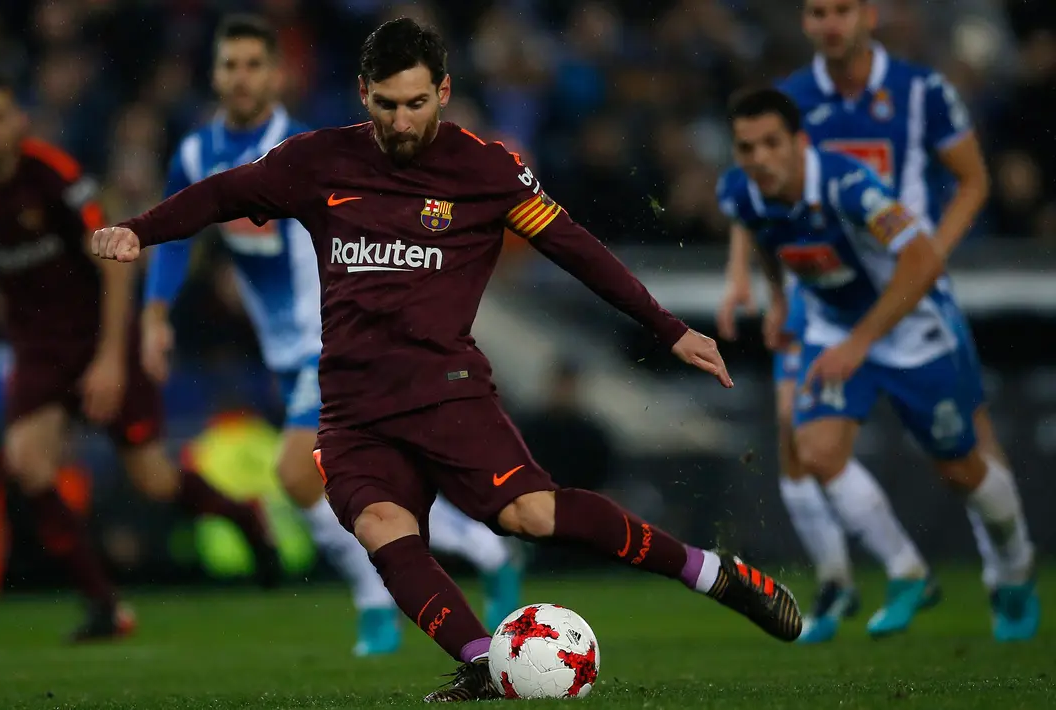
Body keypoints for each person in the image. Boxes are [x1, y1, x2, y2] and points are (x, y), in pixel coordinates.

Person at [95, 18, 801, 701]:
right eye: (386, 105)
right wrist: (138, 229)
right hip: (349, 403)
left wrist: (666, 326)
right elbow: (224, 193)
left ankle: (713, 574)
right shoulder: (320, 161)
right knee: (380, 526)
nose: (401, 122)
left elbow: (574, 248)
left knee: (527, 514)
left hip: (445, 390)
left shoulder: (485, 169)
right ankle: (481, 663)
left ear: (443, 92)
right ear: (363, 95)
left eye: (415, 104)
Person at [140, 15, 521, 657]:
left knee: (297, 474)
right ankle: (486, 550)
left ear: (277, 74)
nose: (240, 78)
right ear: (214, 74)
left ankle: (378, 600)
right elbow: (181, 238)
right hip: (286, 354)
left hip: (336, 346)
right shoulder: (196, 154)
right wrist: (154, 313)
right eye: (229, 65)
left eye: (253, 65)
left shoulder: (309, 155)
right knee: (347, 488)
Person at [716, 0, 1031, 643]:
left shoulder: (919, 93)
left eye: (841, 10)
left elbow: (972, 181)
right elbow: (762, 217)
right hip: (831, 304)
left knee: (962, 462)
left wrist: (925, 261)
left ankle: (1012, 565)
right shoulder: (783, 110)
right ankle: (889, 571)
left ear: (869, 15)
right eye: (815, 11)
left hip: (910, 299)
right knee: (811, 445)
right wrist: (770, 293)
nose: (829, 24)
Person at [0, 72, 281, 642]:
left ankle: (247, 517)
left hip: (99, 339)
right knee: (27, 463)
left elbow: (116, 261)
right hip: (38, 351)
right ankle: (104, 606)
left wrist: (112, 361)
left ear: (17, 121)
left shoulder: (54, 178)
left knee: (154, 480)